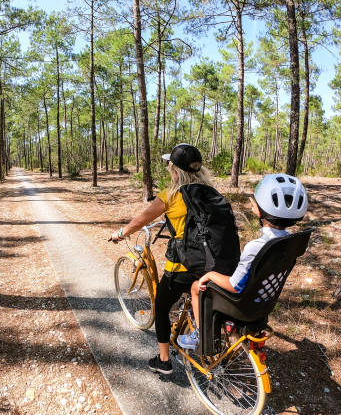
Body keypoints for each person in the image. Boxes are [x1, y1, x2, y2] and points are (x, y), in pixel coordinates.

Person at [110, 143, 216, 374]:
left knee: (160, 305)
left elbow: (140, 220)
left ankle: (164, 360)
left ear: (175, 170)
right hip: (214, 263)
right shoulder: (211, 192)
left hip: (184, 265)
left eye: (170, 165)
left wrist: (120, 234)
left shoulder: (171, 195)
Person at [177, 173, 309, 350]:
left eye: (255, 201)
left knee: (195, 287)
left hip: (241, 305)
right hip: (264, 302)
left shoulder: (256, 246)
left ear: (258, 210)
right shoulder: (289, 242)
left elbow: (234, 286)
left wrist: (210, 275)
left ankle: (200, 336)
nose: (252, 202)